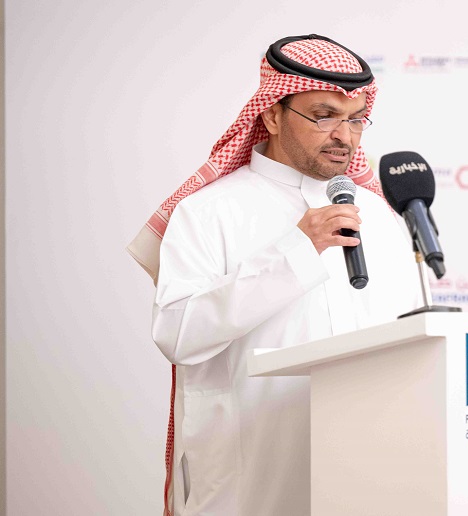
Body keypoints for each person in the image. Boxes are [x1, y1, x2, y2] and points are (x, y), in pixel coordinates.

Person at [128, 35, 419, 516]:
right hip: (249, 482)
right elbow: (177, 335)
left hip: (366, 477)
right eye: (324, 115)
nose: (344, 136)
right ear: (271, 115)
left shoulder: (381, 217)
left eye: (355, 119)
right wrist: (296, 252)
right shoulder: (209, 211)